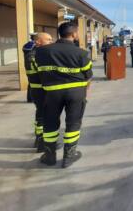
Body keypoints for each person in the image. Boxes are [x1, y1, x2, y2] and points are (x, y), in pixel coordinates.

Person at [35, 22, 93, 168]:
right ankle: (69, 156)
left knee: (50, 122)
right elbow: (88, 75)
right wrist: (86, 90)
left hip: (52, 92)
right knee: (73, 122)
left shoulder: (41, 52)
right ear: (73, 34)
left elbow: (39, 71)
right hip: (76, 93)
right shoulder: (81, 53)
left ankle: (49, 156)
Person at [25, 32, 53, 152]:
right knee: (44, 116)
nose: (51, 42)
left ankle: (39, 138)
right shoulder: (37, 56)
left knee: (40, 114)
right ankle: (42, 143)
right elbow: (46, 74)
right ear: (38, 42)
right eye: (48, 39)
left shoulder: (33, 53)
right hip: (41, 90)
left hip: (37, 89)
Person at [22, 33, 36, 103]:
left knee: (30, 82)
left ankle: (30, 98)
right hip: (33, 65)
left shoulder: (26, 45)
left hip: (28, 65)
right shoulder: (34, 45)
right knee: (34, 82)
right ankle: (32, 98)